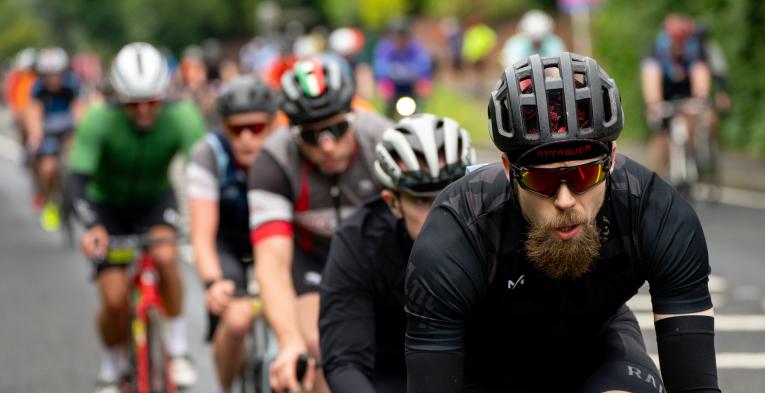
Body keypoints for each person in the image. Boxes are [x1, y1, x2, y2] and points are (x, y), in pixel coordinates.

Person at [405, 52, 719, 392]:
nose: (565, 200)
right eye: (542, 181)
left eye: (585, 174)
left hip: (596, 353)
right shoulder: (459, 230)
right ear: (509, 170)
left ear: (611, 159)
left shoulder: (654, 212)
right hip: (484, 368)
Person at [247, 55, 393, 393]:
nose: (327, 145)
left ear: (353, 115)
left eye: (337, 129)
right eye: (311, 136)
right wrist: (289, 342)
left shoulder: (383, 140)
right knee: (320, 347)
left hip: (378, 262)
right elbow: (271, 262)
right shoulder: (273, 160)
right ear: (293, 132)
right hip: (314, 266)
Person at [67, 42, 205, 393]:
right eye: (133, 103)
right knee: (114, 300)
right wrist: (92, 226)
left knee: (165, 256)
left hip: (154, 202)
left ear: (165, 95)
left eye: (152, 101)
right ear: (118, 98)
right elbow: (77, 180)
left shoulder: (183, 116)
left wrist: (204, 224)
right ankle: (111, 366)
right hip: (106, 208)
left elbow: (204, 170)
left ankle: (177, 350)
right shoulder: (99, 119)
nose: (144, 110)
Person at [320, 113, 476, 393]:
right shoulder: (357, 241)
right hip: (390, 377)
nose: (440, 213)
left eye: (450, 194)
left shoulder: (495, 230)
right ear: (393, 203)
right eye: (421, 200)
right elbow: (345, 361)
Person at [187, 75, 279, 393]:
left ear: (273, 125)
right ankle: (226, 386)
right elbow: (201, 234)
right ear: (223, 127)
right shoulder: (208, 154)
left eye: (255, 128)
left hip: (275, 242)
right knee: (237, 319)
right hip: (226, 242)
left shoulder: (288, 151)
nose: (246, 139)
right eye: (235, 129)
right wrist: (214, 281)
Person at [23, 47, 86, 231]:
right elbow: (33, 112)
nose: (53, 80)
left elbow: (79, 107)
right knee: (48, 167)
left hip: (67, 128)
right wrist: (35, 135)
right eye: (48, 75)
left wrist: (79, 131)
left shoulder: (72, 84)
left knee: (77, 160)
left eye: (56, 74)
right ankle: (50, 199)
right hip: (47, 130)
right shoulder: (38, 88)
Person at [641, 14, 711, 177]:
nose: (678, 44)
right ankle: (657, 175)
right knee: (660, 133)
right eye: (675, 39)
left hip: (686, 88)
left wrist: (701, 97)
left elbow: (700, 73)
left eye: (682, 40)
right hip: (665, 89)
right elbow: (651, 76)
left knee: (695, 114)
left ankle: (694, 152)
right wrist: (653, 104)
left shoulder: (694, 48)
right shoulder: (657, 50)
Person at [373, 18, 433, 118]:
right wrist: (384, 84)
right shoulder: (385, 48)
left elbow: (424, 66)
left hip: (410, 87)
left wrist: (424, 82)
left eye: (403, 36)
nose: (400, 39)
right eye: (397, 36)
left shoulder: (415, 47)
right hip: (394, 88)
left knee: (417, 113)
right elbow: (380, 67)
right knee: (388, 113)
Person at [501, 10, 566, 67]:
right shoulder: (514, 45)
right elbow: (510, 67)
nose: (536, 42)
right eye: (533, 39)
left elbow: (561, 66)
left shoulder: (554, 43)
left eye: (540, 39)